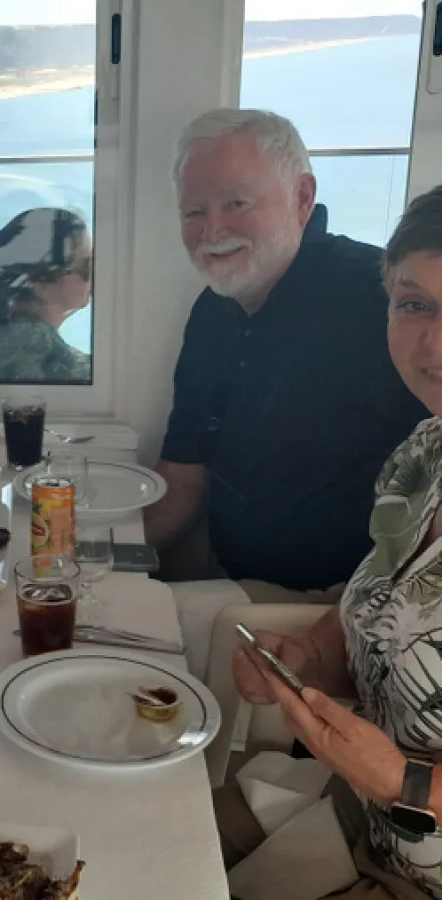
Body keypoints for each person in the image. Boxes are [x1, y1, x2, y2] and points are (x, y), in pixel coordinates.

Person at [219, 185, 442, 899]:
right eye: (414, 304)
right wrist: (311, 657)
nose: (432, 343)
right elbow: (379, 597)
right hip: (351, 821)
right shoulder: (423, 454)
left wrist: (407, 781)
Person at [145, 109, 427, 596]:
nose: (212, 232)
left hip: (338, 601)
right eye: (194, 212)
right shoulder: (213, 310)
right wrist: (89, 557)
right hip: (234, 581)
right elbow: (183, 478)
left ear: (302, 197)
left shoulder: (378, 299)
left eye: (235, 203)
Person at [0, 207, 92, 383]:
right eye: (87, 265)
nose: (94, 274)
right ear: (43, 283)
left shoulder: (0, 334)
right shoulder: (28, 341)